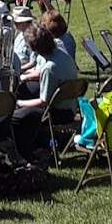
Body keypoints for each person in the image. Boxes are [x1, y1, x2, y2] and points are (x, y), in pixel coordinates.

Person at [12, 23, 79, 161]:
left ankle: (26, 154)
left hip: (60, 112)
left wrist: (18, 103)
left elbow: (43, 102)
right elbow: (41, 71)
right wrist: (23, 77)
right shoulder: (60, 51)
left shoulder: (50, 68)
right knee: (25, 89)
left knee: (17, 117)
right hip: (70, 104)